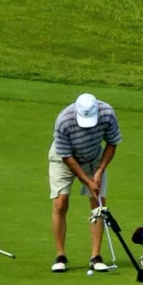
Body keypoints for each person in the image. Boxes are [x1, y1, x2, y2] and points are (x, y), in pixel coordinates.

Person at [49, 92, 122, 274]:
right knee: (60, 202)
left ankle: (95, 257)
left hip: (94, 158)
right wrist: (86, 180)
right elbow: (66, 157)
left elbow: (112, 144)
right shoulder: (64, 120)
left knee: (98, 204)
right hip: (63, 159)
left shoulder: (107, 113)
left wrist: (99, 171)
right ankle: (60, 256)